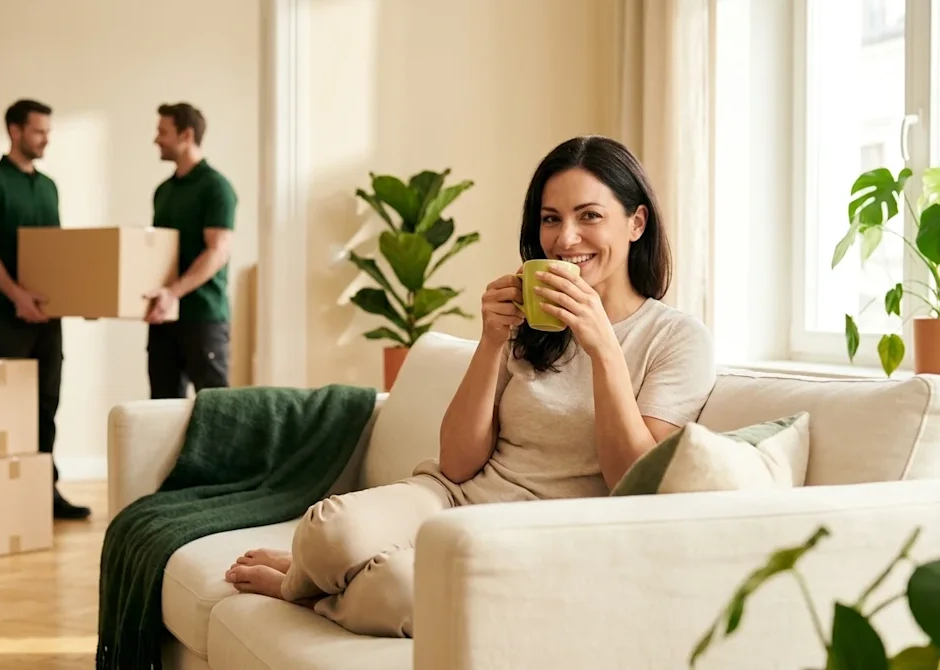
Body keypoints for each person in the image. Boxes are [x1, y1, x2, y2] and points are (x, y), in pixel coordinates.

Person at [222, 135, 717, 637]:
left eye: (589, 216)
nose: (566, 239)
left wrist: (605, 348)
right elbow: (458, 463)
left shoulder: (677, 339)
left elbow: (632, 484)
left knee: (402, 586)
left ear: (636, 222)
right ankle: (317, 573)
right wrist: (491, 341)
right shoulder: (532, 325)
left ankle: (304, 591)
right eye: (551, 219)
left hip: (533, 537)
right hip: (454, 499)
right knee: (329, 530)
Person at [0, 98, 91, 521]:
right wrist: (18, 295)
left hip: (48, 319)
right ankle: (2, 496)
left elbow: (55, 254)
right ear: (15, 131)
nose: (46, 139)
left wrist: (80, 297)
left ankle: (44, 492)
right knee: (3, 410)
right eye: (39, 131)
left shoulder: (49, 185)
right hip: (6, 317)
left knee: (45, 404)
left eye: (48, 131)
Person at [144, 102, 238, 398]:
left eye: (163, 131)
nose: (156, 139)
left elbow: (218, 252)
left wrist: (175, 292)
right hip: (164, 317)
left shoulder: (216, 188)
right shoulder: (164, 191)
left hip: (203, 316)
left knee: (215, 408)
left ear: (186, 135)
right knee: (162, 407)